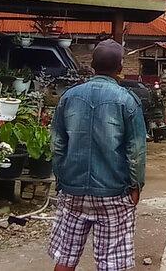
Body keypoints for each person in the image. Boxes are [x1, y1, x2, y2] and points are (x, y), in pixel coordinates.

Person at [48, 40, 146, 271]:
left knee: (66, 257)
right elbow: (137, 151)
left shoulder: (69, 97)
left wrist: (61, 179)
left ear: (92, 65)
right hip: (114, 191)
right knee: (111, 263)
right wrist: (135, 185)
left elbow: (57, 143)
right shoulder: (127, 100)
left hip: (72, 190)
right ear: (120, 67)